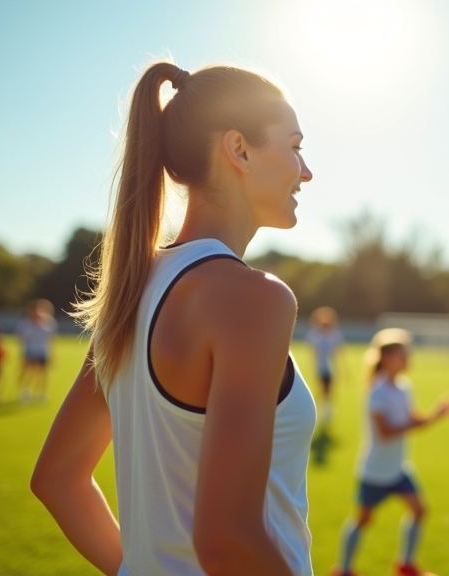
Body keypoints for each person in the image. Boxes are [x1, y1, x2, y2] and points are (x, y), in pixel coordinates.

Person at [31, 61, 316, 576]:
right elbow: (226, 543)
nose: (306, 170)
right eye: (295, 145)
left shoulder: (134, 290)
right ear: (239, 150)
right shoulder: (254, 298)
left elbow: (58, 478)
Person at [333, 328, 449, 576]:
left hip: (398, 468)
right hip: (376, 471)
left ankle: (406, 565)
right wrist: (419, 422)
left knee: (420, 510)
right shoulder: (377, 392)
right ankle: (343, 570)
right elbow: (385, 432)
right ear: (387, 358)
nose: (409, 359)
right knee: (363, 519)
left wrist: (436, 415)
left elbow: (413, 421)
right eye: (403, 354)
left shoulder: (404, 386)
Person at [306, 305, 345, 424]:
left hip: (330, 367)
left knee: (329, 389)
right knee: (322, 388)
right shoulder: (316, 334)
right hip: (320, 366)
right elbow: (313, 351)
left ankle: (326, 410)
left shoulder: (333, 335)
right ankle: (321, 410)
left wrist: (341, 369)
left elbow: (338, 352)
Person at [16, 299, 57, 403]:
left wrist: (52, 354)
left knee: (42, 373)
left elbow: (51, 339)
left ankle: (41, 393)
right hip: (30, 350)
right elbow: (22, 338)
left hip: (42, 350)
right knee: (27, 372)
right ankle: (25, 391)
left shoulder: (49, 322)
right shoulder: (26, 324)